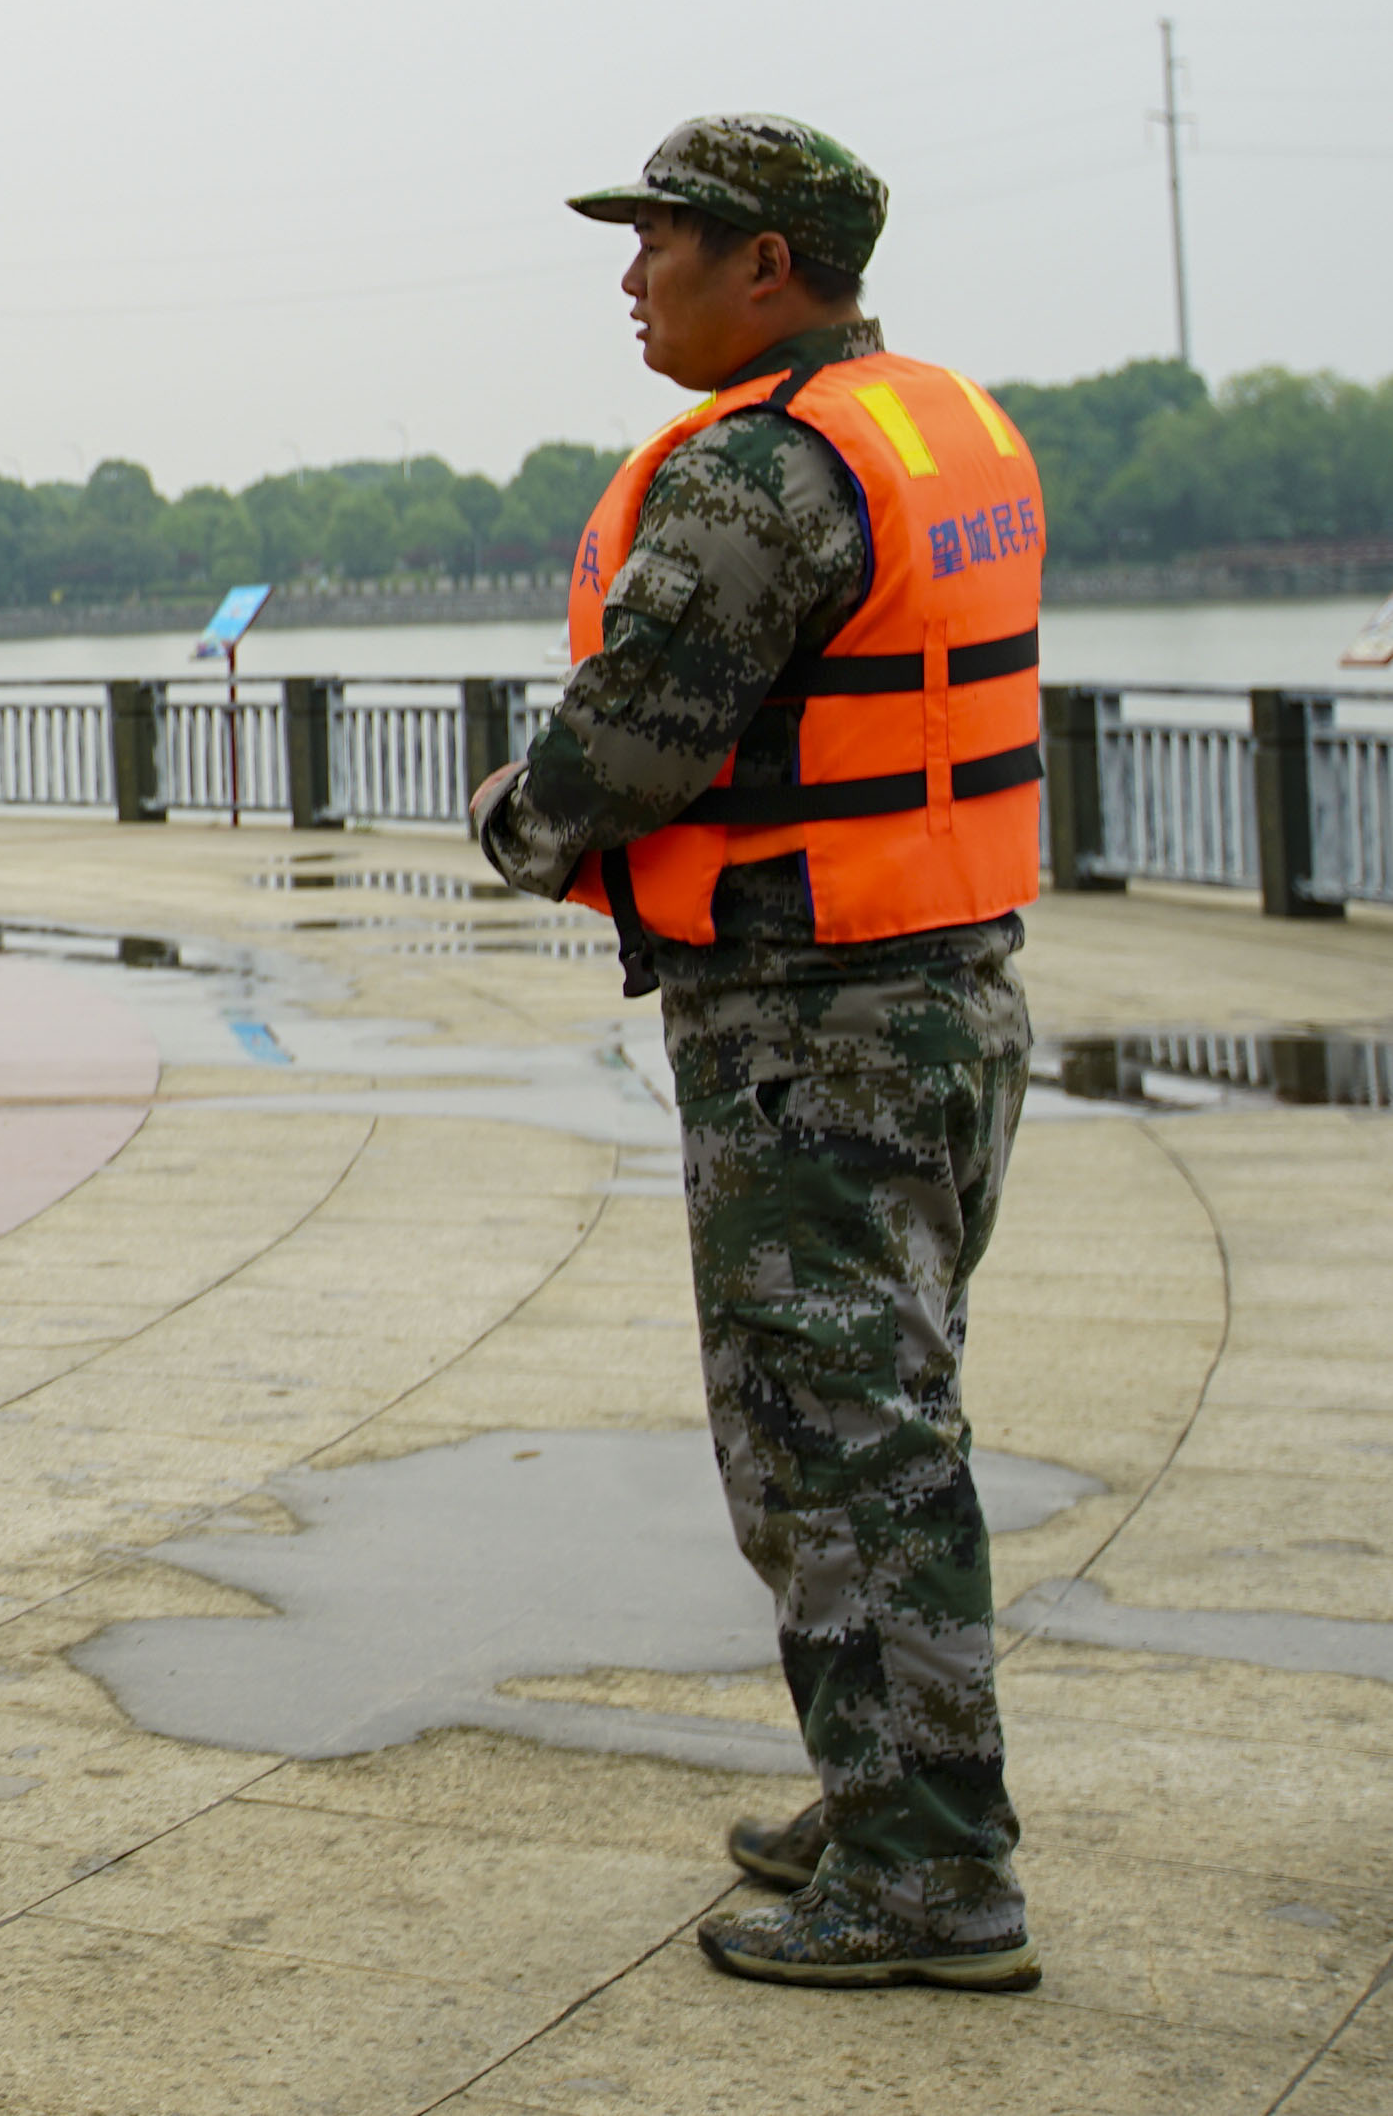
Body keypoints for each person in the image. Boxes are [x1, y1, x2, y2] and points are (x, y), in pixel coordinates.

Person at [473, 116, 1051, 1994]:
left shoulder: (757, 474)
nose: (628, 278)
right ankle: (887, 1782)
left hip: (816, 1033)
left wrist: (509, 816)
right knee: (891, 1415)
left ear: (769, 266)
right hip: (948, 990)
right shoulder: (927, 425)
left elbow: (626, 745)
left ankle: (926, 1877)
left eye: (660, 242)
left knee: (829, 1448)